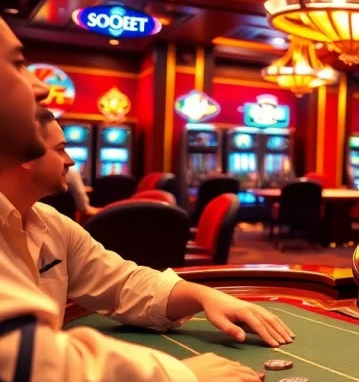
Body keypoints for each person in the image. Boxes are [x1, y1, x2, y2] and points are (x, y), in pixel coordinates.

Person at [0, 17, 270, 382]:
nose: (41, 84)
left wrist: (202, 293)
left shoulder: (47, 224)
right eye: (18, 64)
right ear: (24, 160)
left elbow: (122, 281)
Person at [1, 108, 296, 342]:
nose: (71, 161)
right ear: (28, 155)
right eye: (61, 149)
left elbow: (122, 284)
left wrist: (203, 295)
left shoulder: (53, 224)